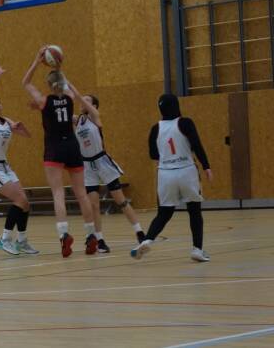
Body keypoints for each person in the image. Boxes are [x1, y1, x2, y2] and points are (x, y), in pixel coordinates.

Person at [22, 46, 98, 257]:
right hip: (72, 146)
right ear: (63, 83)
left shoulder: (43, 101)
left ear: (48, 85)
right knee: (81, 193)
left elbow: (25, 83)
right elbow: (69, 86)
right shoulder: (70, 97)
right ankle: (91, 235)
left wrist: (37, 61)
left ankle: (64, 234)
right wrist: (59, 66)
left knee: (58, 193)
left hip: (54, 148)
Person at [131, 94, 212, 262]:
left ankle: (147, 240)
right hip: (186, 171)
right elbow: (197, 145)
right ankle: (197, 249)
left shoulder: (156, 128)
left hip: (165, 173)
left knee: (164, 213)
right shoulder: (185, 123)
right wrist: (206, 166)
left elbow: (153, 154)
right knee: (194, 211)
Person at [73, 92, 146, 252]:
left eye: (86, 100)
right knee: (94, 205)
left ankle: (139, 232)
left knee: (121, 201)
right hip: (87, 166)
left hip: (102, 162)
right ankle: (100, 240)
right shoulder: (77, 120)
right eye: (82, 100)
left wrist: (74, 92)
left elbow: (85, 105)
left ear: (94, 106)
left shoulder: (94, 117)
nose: (82, 102)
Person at [0, 63, 38, 256]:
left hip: (4, 166)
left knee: (25, 203)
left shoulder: (6, 122)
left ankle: (21, 241)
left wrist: (22, 128)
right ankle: (4, 239)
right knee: (19, 200)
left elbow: (26, 135)